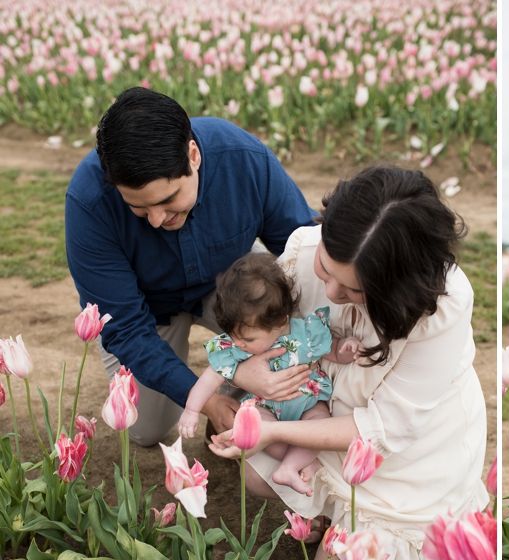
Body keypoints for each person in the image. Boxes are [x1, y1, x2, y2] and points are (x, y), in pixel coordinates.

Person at [208, 165, 489, 560]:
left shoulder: (441, 307)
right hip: (319, 412)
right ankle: (325, 511)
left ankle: (356, 518)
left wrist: (269, 430)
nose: (334, 294)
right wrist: (250, 374)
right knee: (254, 477)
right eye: (327, 271)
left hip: (404, 455)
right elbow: (255, 332)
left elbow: (384, 429)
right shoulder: (304, 250)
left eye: (355, 290)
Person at [66, 86, 320, 447]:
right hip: (147, 311)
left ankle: (252, 406)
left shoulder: (243, 159)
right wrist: (207, 400)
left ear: (193, 155)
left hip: (230, 290)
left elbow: (302, 248)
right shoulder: (90, 202)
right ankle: (230, 394)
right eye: (139, 207)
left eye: (168, 200)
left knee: (292, 350)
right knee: (143, 429)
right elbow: (124, 327)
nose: (155, 220)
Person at [178, 253, 362, 495]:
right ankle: (295, 461)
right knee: (260, 431)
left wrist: (346, 348)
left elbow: (333, 351)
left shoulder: (305, 333)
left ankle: (290, 466)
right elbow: (211, 377)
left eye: (247, 338)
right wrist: (192, 410)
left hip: (307, 403)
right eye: (234, 336)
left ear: (280, 323)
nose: (238, 343)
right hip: (267, 407)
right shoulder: (237, 346)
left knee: (320, 423)